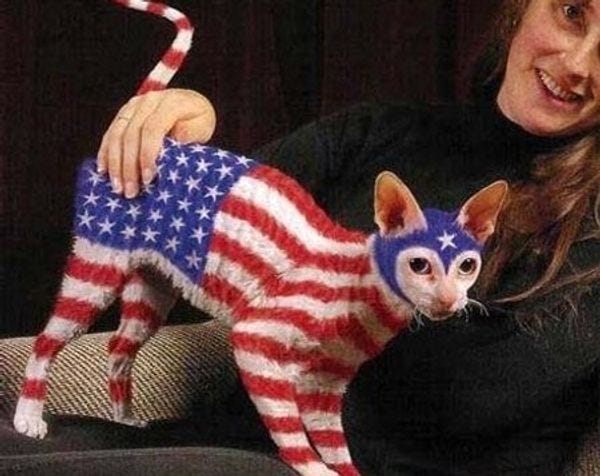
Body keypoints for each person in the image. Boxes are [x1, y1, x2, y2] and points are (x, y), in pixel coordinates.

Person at [5, 0, 599, 475]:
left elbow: (467, 396)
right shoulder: (377, 134)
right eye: (572, 12)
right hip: (215, 446)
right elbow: (192, 259)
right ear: (522, 7)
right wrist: (188, 123)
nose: (577, 63)